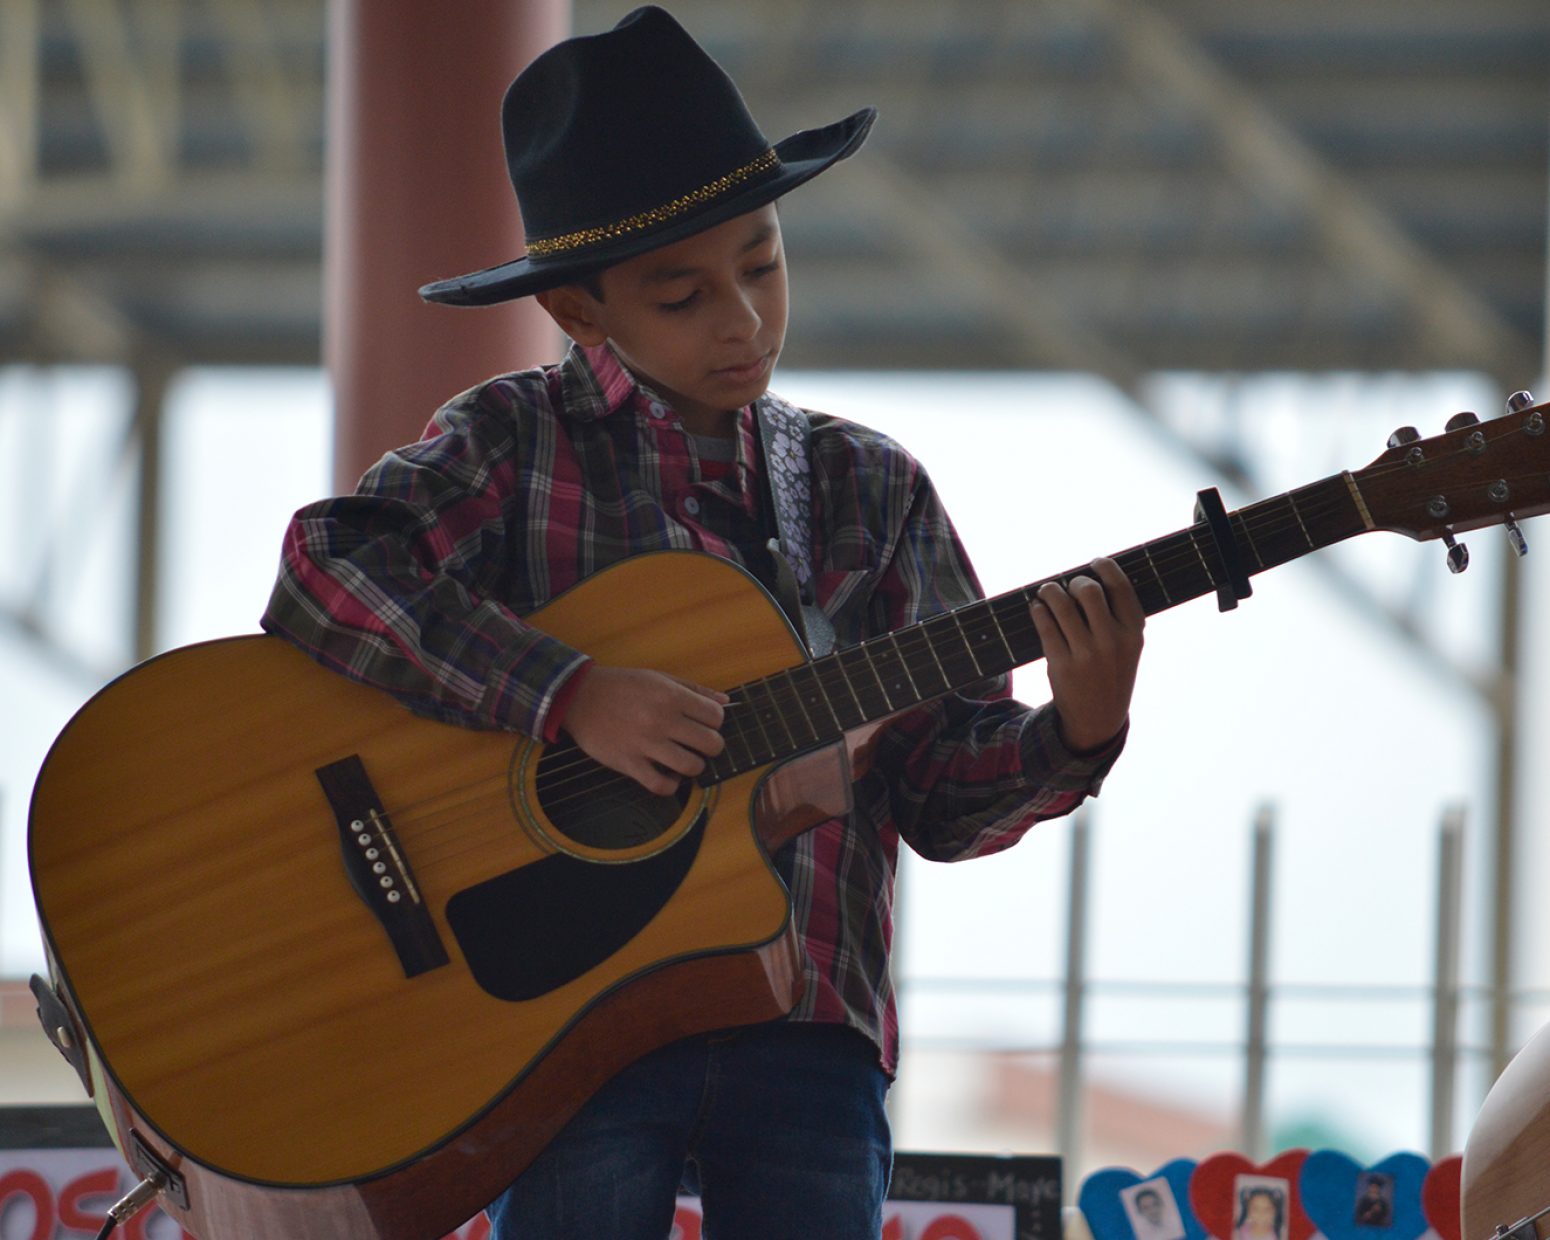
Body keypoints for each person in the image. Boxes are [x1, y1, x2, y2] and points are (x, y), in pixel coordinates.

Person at [261, 7, 1146, 1238]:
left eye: (763, 262)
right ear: (579, 311)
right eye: (680, 292)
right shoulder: (510, 442)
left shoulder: (868, 487)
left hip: (811, 1027)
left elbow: (939, 796)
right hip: (568, 1024)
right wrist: (565, 692)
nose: (739, 318)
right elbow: (322, 566)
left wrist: (1071, 733)